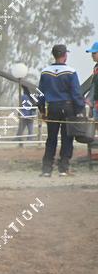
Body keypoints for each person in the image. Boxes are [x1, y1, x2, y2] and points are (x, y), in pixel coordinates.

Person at [37, 44, 85, 177]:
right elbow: (76, 93)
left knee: (51, 138)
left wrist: (42, 110)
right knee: (67, 138)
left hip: (52, 107)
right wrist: (80, 109)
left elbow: (40, 93)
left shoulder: (45, 72)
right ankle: (63, 168)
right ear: (65, 55)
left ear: (54, 55)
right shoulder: (71, 71)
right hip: (68, 107)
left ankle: (46, 170)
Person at [87, 41, 98, 118]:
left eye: (94, 53)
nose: (92, 55)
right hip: (95, 105)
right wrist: (91, 107)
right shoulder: (96, 68)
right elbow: (93, 87)